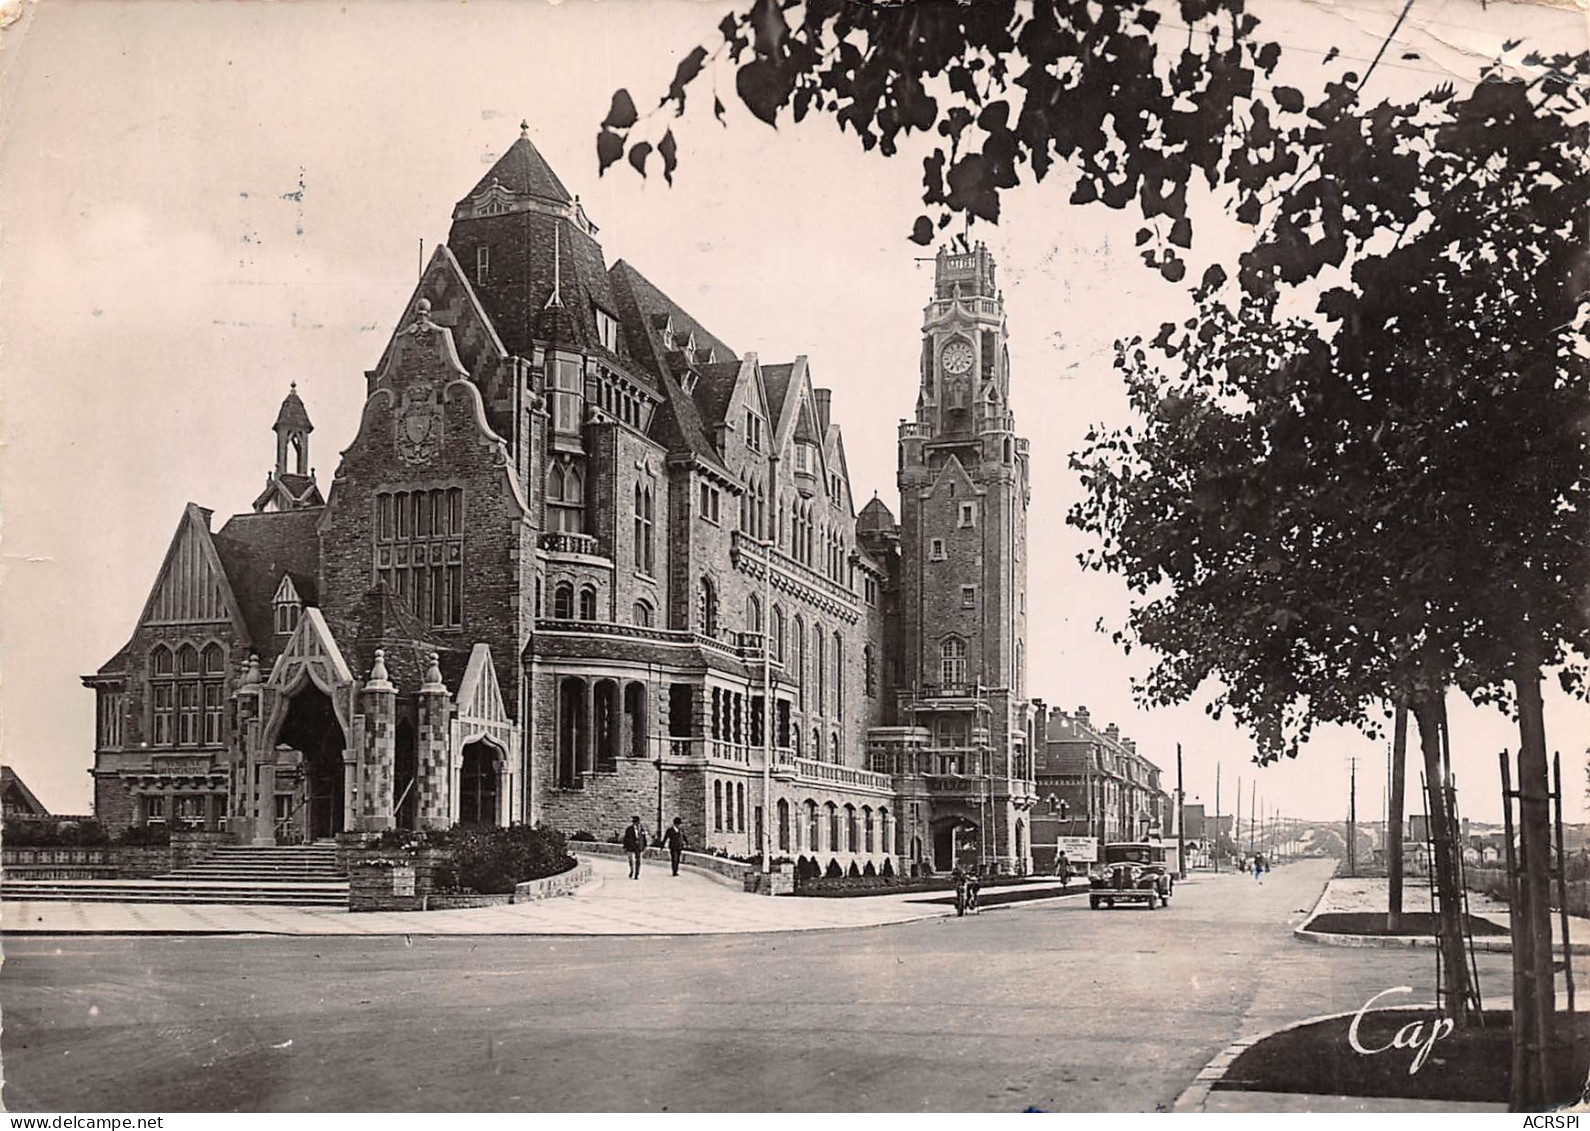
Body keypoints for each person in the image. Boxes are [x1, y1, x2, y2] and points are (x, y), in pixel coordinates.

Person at [622, 815, 647, 880]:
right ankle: (632, 870)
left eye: (637, 822)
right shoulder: (629, 829)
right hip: (631, 846)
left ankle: (637, 873)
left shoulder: (641, 829)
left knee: (638, 860)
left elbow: (644, 838)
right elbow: (626, 838)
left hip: (638, 847)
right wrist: (625, 847)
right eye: (635, 822)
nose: (636, 824)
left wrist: (644, 845)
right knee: (631, 860)